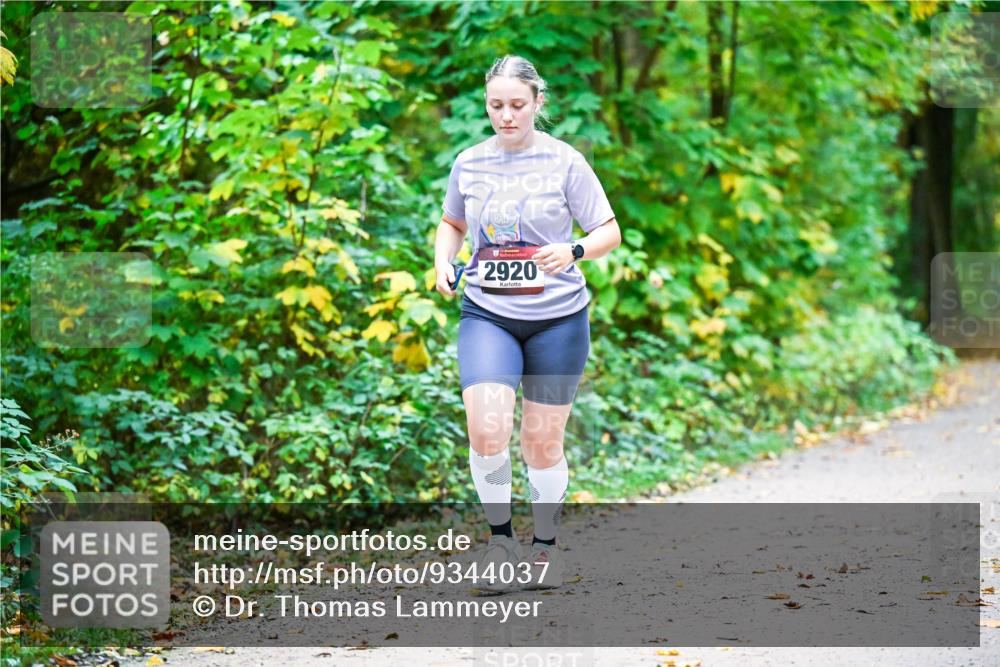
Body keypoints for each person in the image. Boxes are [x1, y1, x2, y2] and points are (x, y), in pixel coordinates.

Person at [434, 55, 621, 592]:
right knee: (486, 428)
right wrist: (442, 261)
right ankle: (500, 542)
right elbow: (452, 223)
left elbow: (608, 230)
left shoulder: (566, 162)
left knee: (541, 443)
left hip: (558, 320)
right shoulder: (469, 163)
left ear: (538, 103)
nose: (507, 116)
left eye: (518, 105)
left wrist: (574, 249)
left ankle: (545, 549)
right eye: (496, 106)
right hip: (488, 313)